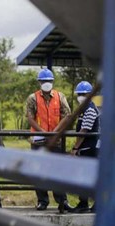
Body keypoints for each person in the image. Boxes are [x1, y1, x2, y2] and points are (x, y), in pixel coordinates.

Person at [25, 68, 73, 213]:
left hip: (56, 140)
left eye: (49, 81)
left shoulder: (60, 96)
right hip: (39, 140)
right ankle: (42, 201)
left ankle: (62, 201)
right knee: (38, 171)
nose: (47, 83)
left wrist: (55, 131)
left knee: (58, 171)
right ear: (39, 82)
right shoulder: (32, 98)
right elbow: (30, 117)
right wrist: (43, 132)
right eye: (44, 81)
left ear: (52, 82)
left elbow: (67, 114)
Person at [70, 81, 100, 213]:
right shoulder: (84, 109)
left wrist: (75, 148)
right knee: (83, 177)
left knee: (88, 177)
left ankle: (91, 204)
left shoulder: (90, 110)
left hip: (90, 149)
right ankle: (84, 203)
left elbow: (84, 131)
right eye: (79, 94)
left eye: (84, 94)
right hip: (85, 149)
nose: (81, 96)